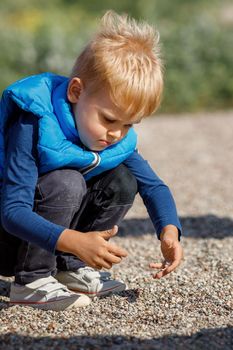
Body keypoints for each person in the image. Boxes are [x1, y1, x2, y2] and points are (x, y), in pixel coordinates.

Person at [0, 10, 183, 311]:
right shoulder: (33, 122)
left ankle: (68, 269)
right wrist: (74, 240)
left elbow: (154, 187)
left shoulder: (113, 137)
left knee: (123, 179)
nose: (116, 134)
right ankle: (31, 281)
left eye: (128, 124)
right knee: (66, 181)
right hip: (8, 238)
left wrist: (170, 232)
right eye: (109, 119)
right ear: (75, 91)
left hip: (51, 239)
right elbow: (12, 212)